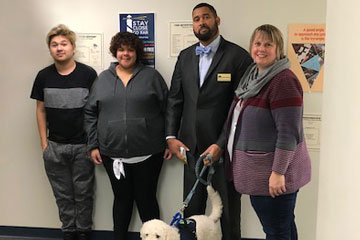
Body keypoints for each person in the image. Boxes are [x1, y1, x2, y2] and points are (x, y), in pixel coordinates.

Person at [165, 3, 252, 240]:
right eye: (196, 19)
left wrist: (221, 143)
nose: (201, 22)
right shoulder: (185, 57)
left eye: (206, 17)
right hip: (191, 150)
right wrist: (170, 137)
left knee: (228, 216)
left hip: (225, 152)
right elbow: (175, 99)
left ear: (217, 20)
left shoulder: (238, 57)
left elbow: (242, 108)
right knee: (192, 218)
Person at [225, 24, 311, 240]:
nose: (261, 48)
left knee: (276, 231)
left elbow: (288, 134)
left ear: (278, 48)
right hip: (258, 172)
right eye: (257, 43)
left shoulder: (283, 81)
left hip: (271, 176)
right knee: (283, 227)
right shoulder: (253, 75)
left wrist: (278, 172)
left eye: (268, 44)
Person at [84, 32, 171, 240]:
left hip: (149, 153)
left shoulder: (152, 77)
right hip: (112, 154)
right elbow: (90, 112)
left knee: (147, 200)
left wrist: (170, 139)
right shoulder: (102, 80)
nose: (126, 53)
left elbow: (169, 109)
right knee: (122, 200)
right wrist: (93, 144)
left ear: (137, 53)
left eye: (130, 49)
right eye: (121, 49)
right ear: (115, 52)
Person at [30, 24, 97, 240]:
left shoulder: (88, 74)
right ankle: (68, 231)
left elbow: (96, 111)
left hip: (82, 146)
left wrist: (93, 143)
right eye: (54, 45)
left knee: (84, 193)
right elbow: (40, 110)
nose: (59, 48)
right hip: (55, 147)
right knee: (63, 194)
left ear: (73, 47)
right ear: (50, 49)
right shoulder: (43, 77)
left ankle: (84, 231)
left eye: (64, 44)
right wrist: (44, 144)